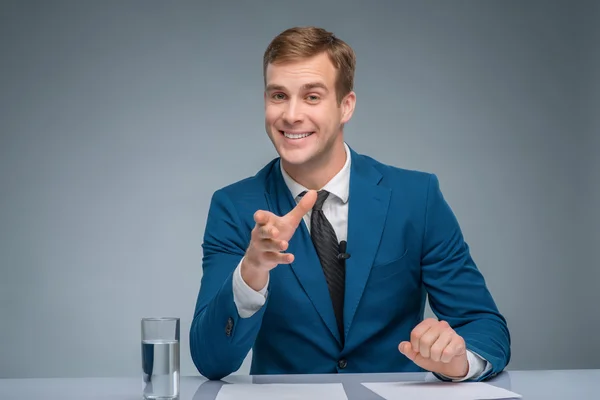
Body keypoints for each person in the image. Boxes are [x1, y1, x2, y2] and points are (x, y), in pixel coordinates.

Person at [190, 26, 510, 381]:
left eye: (312, 97)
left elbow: (486, 326)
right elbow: (211, 360)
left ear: (346, 106)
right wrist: (251, 272)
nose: (291, 115)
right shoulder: (233, 207)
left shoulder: (416, 197)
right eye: (279, 95)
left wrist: (458, 360)